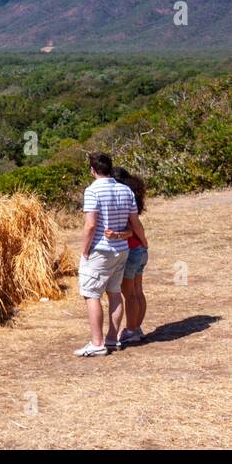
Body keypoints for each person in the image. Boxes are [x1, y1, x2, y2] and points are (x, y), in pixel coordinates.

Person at [75, 152, 137, 357]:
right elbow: (132, 221)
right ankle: (112, 338)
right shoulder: (126, 190)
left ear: (92, 170)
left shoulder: (92, 191)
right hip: (121, 249)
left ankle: (97, 342)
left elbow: (91, 225)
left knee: (91, 294)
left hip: (100, 250)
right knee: (115, 292)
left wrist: (85, 250)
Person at [106, 167, 149, 345]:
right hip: (139, 250)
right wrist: (144, 241)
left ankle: (131, 330)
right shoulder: (132, 198)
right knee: (138, 292)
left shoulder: (120, 200)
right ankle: (136, 327)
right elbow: (137, 226)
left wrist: (117, 235)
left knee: (129, 294)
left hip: (130, 251)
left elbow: (132, 228)